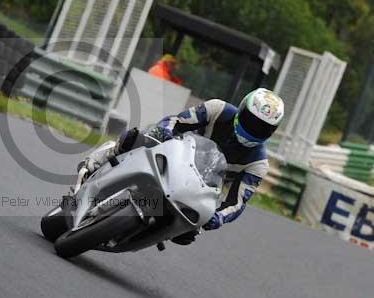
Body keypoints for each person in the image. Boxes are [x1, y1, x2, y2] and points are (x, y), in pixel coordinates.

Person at [79, 88, 284, 245]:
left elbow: (236, 203)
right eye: (251, 120)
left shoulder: (258, 164)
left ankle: (137, 236)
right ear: (241, 109)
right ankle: (96, 162)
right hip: (174, 154)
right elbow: (175, 120)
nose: (253, 129)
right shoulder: (218, 109)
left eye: (262, 128)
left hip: (199, 187)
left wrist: (218, 218)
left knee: (187, 234)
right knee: (135, 138)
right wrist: (163, 131)